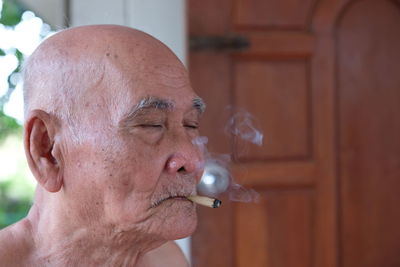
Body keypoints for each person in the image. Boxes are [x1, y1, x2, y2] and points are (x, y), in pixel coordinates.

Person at [0, 24, 206, 266]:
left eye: (190, 125)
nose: (193, 160)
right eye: (151, 125)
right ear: (47, 151)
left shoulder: (167, 261)